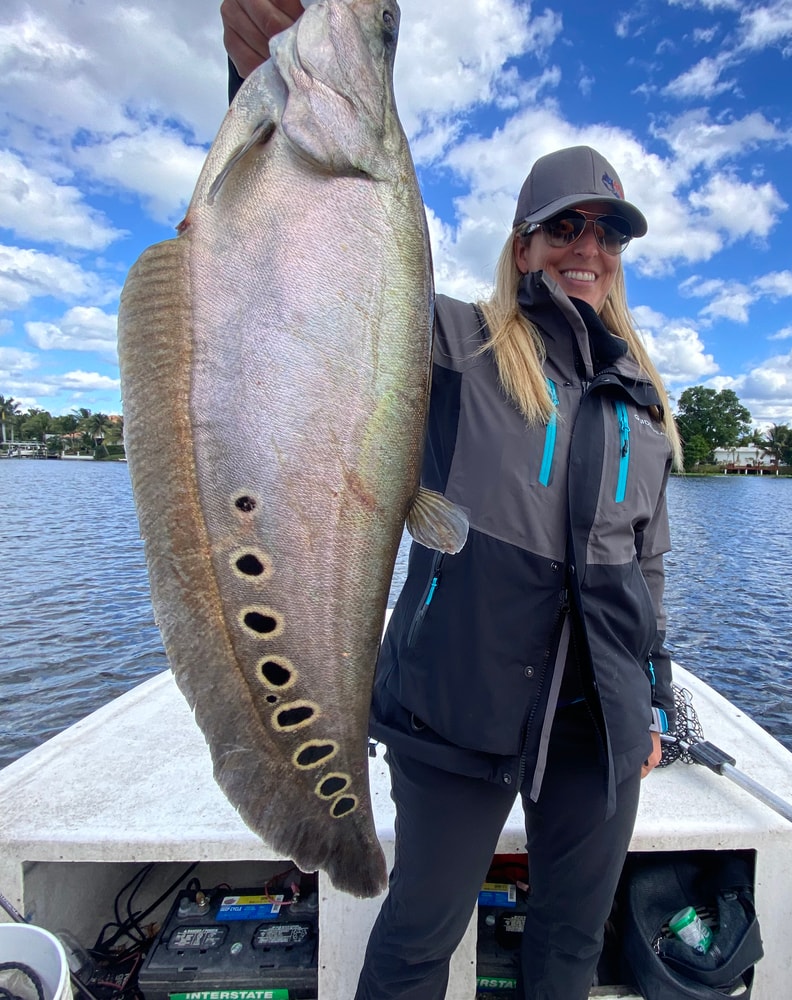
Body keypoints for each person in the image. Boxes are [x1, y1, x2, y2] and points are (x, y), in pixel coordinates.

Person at [221, 4, 683, 997]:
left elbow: (645, 564)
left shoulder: (642, 407)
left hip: (593, 724)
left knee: (569, 937)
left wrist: (651, 689)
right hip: (455, 709)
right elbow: (315, 274)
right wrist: (262, 79)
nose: (586, 248)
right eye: (564, 226)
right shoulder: (454, 347)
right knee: (420, 932)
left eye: (606, 233)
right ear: (522, 246)